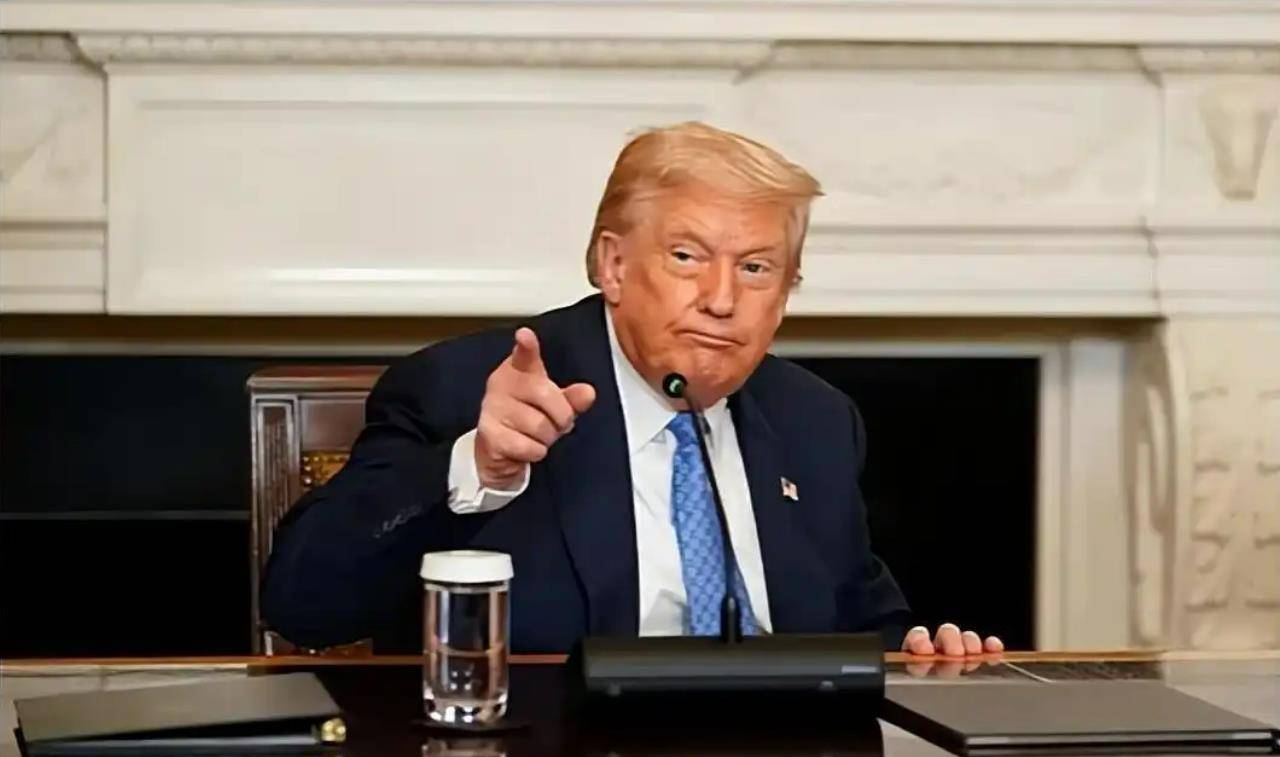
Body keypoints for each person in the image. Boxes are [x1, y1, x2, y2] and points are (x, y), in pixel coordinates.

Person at [262, 122, 1002, 658]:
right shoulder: (472, 389)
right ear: (612, 266)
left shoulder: (815, 419)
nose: (722, 299)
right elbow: (302, 605)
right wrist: (476, 466)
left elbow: (856, 620)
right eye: (687, 257)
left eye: (756, 268)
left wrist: (916, 651)